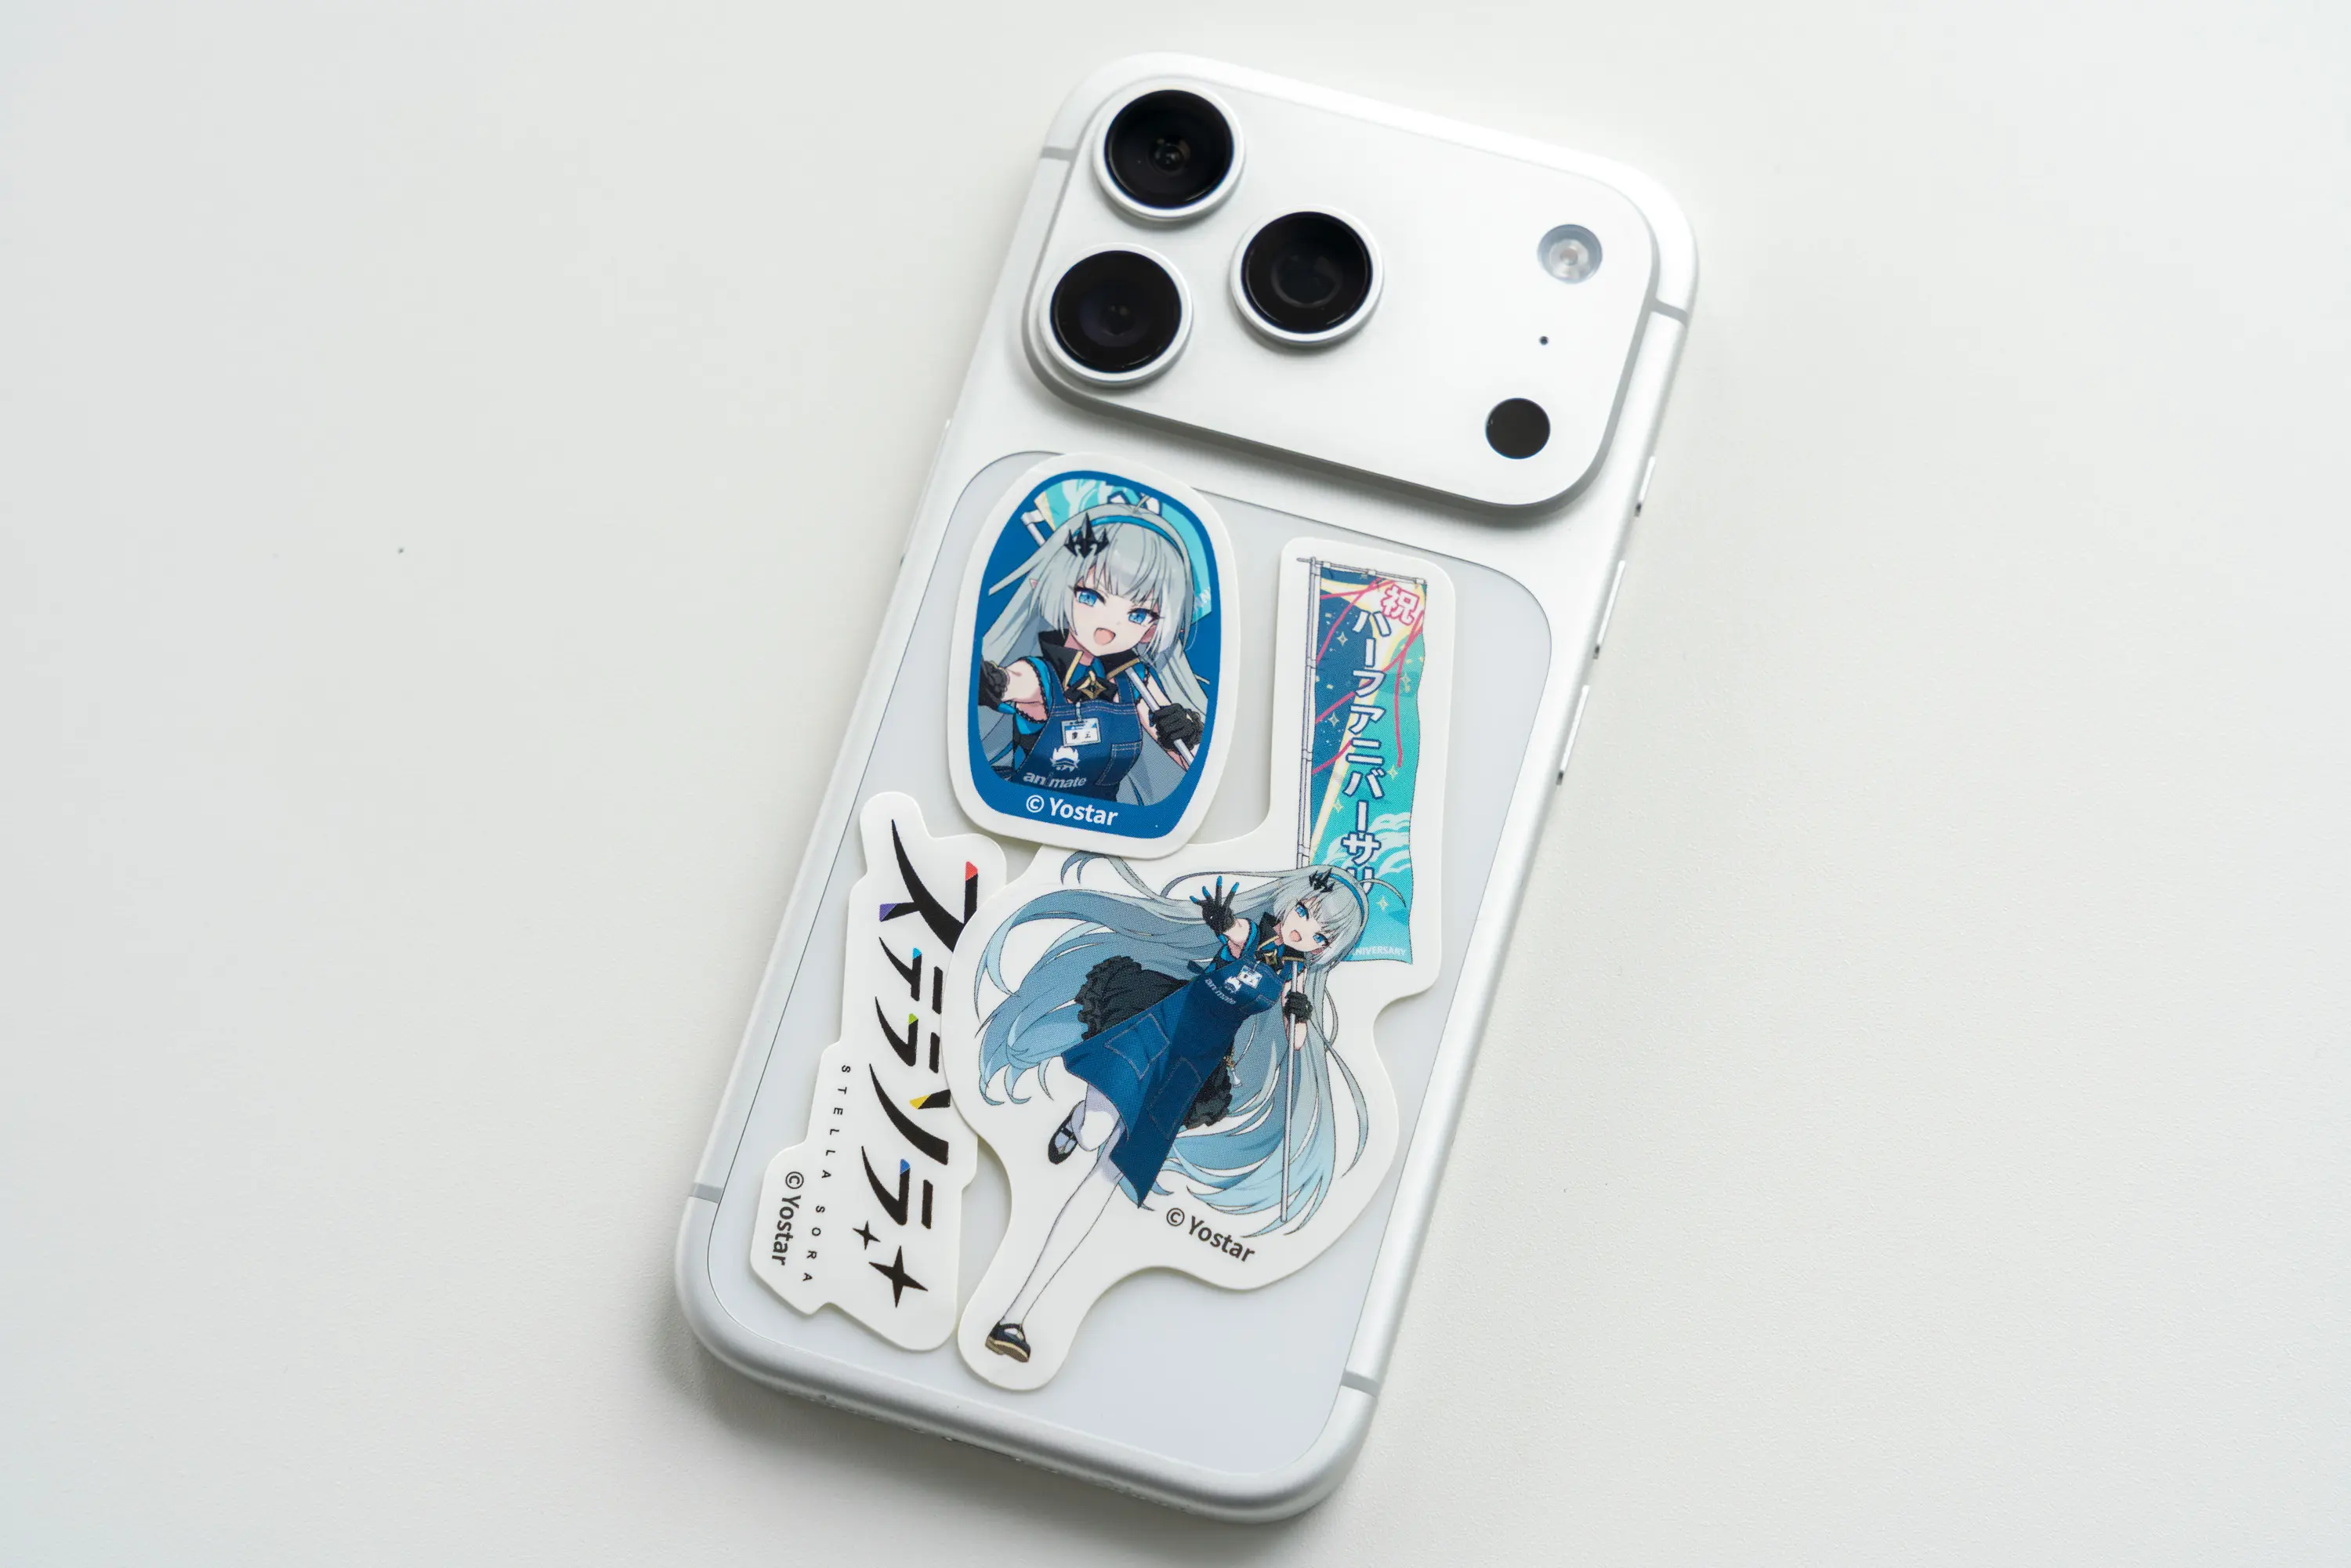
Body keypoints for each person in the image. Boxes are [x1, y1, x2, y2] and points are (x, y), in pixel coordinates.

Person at [973, 858, 1371, 1363]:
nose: (1303, 929)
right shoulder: (1253, 935)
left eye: (1320, 933)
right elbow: (1234, 932)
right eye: (1304, 912)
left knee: (1110, 1174)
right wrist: (1222, 921)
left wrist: (1300, 1015)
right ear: (1292, 901)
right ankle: (1080, 1120)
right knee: (1095, 1133)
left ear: (1324, 946)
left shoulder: (1295, 975)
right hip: (1158, 1025)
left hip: (1190, 1068)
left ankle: (1015, 1318)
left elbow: (1295, 1041)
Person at [975, 506, 1208, 807]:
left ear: (1152, 628)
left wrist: (1185, 734)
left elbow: (1196, 766)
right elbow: (1006, 683)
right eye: (1090, 597)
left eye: (1138, 615)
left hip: (1102, 824)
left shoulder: (1134, 680)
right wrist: (989, 681)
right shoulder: (1039, 676)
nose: (1109, 627)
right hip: (1025, 812)